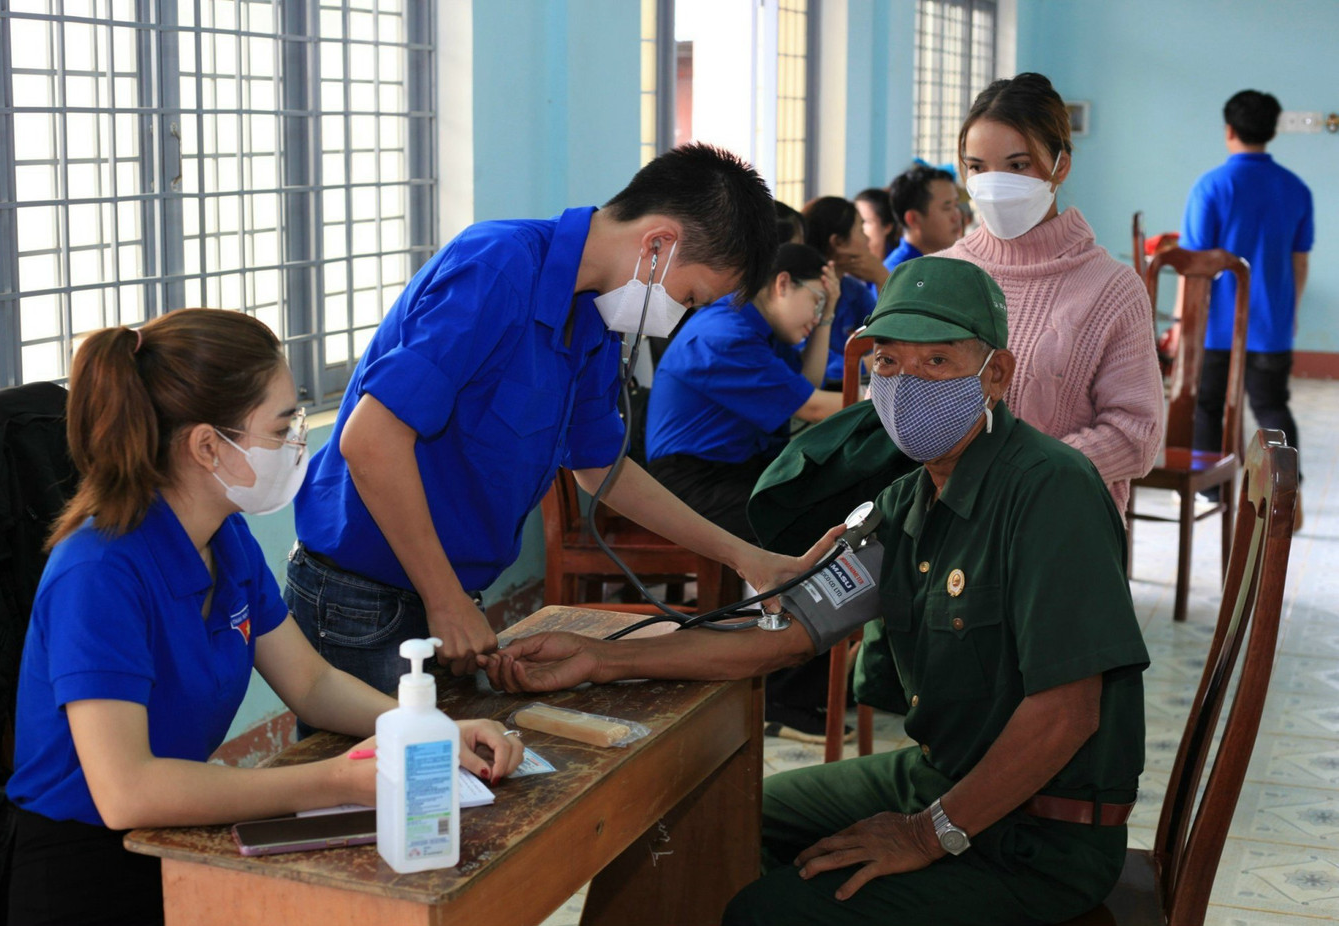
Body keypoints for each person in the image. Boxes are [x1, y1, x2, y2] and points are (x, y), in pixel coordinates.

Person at [482, 257, 1150, 926]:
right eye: (888, 363)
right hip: (937, 776)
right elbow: (785, 638)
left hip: (1040, 835)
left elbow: (1066, 714)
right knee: (722, 823)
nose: (906, 383)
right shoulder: (907, 504)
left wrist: (927, 834)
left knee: (769, 912)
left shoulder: (1050, 490)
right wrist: (602, 658)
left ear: (997, 375)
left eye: (937, 361)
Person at [5, 310, 523, 926]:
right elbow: (126, 793)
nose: (297, 444)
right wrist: (337, 781)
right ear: (207, 446)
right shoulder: (98, 572)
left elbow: (312, 682)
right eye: (282, 428)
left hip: (177, 834)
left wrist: (424, 731)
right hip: (81, 867)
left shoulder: (226, 540)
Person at [290, 143, 814, 693]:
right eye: (689, 297)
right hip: (366, 598)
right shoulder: (497, 267)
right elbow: (370, 440)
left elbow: (601, 468)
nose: (679, 316)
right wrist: (442, 597)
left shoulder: (595, 315)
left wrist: (746, 558)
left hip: (442, 593)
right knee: (382, 752)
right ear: (657, 244)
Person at [940, 71, 1162, 518]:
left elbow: (1136, 436)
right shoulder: (937, 274)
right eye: (978, 167)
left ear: (1061, 165)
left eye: (1018, 165)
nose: (995, 184)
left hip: (1059, 531)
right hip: (942, 528)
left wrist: (1020, 475)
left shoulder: (1112, 289)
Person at [645, 243, 843, 544]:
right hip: (693, 482)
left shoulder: (758, 326)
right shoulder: (727, 335)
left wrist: (826, 316)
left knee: (834, 492)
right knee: (813, 525)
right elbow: (813, 408)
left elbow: (807, 384)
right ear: (783, 283)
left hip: (734, 469)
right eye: (817, 302)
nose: (816, 317)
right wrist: (892, 401)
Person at [1175, 89, 1313, 518]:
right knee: (1271, 407)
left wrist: (1182, 323)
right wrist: (1289, 312)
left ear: (1229, 130)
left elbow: (1194, 266)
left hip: (1215, 326)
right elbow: (1299, 262)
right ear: (1272, 131)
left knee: (1207, 406)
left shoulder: (1211, 186)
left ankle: (1209, 492)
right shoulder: (1296, 188)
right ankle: (1288, 495)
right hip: (1271, 326)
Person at [802, 196, 880, 389]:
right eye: (860, 230)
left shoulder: (853, 289)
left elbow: (884, 335)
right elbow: (818, 368)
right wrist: (870, 362)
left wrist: (883, 278)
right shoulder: (804, 294)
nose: (867, 239)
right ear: (837, 242)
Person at [883, 165, 962, 271]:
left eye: (956, 205)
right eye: (947, 208)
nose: (957, 216)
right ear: (913, 219)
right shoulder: (899, 273)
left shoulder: (944, 262)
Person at [854, 188, 900, 279]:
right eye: (854, 222)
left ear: (887, 227)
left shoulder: (899, 264)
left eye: (865, 222)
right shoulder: (848, 271)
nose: (858, 228)